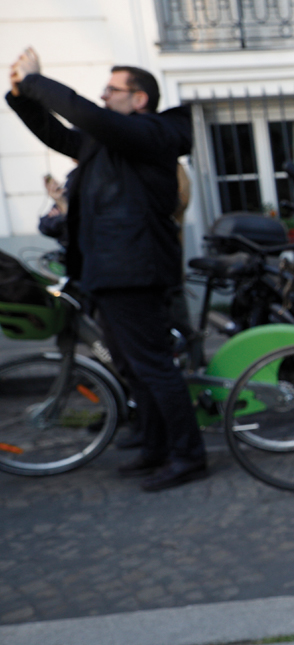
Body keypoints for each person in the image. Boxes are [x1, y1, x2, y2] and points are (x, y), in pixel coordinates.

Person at [7, 49, 206, 491]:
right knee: (133, 367)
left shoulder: (152, 132)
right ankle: (155, 445)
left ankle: (188, 455)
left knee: (153, 367)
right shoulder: (107, 144)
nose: (102, 96)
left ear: (139, 99)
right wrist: (21, 95)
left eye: (111, 89)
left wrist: (38, 81)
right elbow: (57, 133)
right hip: (109, 269)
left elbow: (89, 116)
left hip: (134, 269)